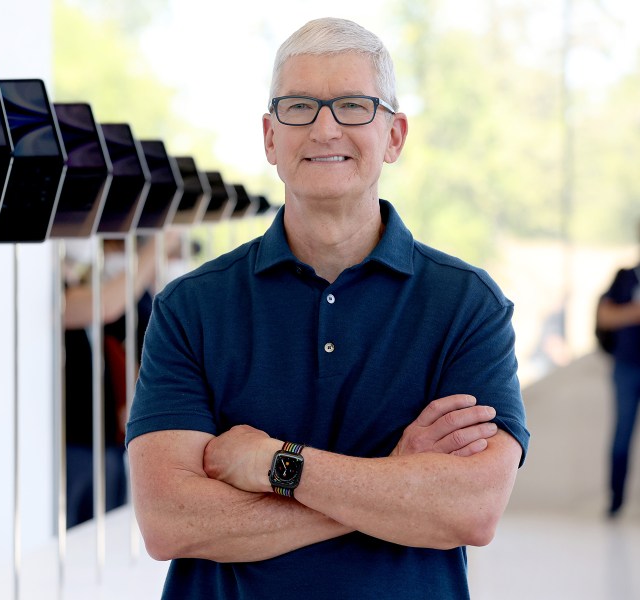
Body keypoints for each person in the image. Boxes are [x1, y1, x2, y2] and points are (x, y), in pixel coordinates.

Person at [125, 17, 529, 599]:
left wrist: (273, 463)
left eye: (354, 106)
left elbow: (469, 510)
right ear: (270, 136)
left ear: (394, 135)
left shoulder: (468, 305)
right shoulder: (191, 307)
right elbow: (170, 521)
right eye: (299, 107)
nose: (324, 128)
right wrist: (395, 478)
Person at [63, 234, 176, 527]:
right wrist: (155, 247)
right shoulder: (53, 293)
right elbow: (106, 305)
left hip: (107, 439)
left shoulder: (89, 283)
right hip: (72, 443)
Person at [596, 219, 640, 517]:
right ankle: (615, 502)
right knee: (622, 432)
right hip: (627, 366)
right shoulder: (625, 277)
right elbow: (605, 316)